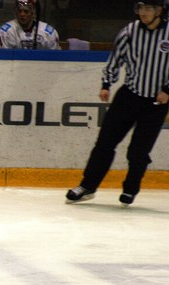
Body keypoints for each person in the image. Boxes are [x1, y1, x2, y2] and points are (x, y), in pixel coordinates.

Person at [66, 0, 169, 206]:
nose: (143, 12)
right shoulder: (130, 31)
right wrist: (106, 84)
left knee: (138, 151)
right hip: (129, 96)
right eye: (140, 8)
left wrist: (168, 90)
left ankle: (130, 189)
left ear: (159, 10)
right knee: (105, 143)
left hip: (156, 103)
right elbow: (115, 60)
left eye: (148, 8)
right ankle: (87, 186)